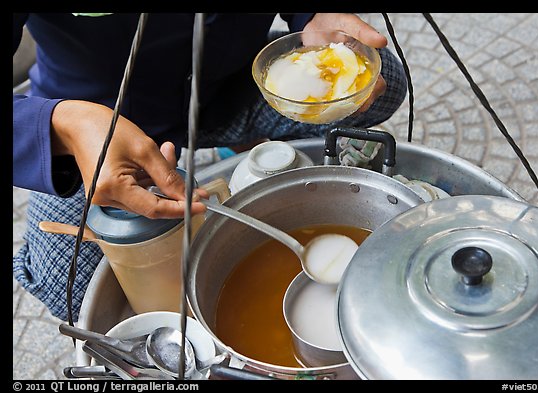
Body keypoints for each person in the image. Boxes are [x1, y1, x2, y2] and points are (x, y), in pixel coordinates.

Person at [13, 13, 408, 321]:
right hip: (97, 122)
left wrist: (310, 16)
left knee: (379, 77)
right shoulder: (78, 124)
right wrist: (63, 126)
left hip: (222, 89)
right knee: (66, 279)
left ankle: (238, 143)